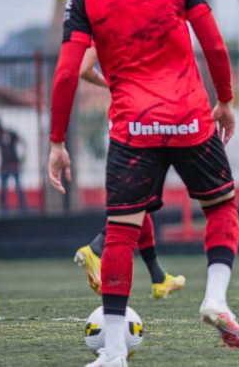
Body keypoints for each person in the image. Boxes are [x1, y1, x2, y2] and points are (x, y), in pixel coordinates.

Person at [49, 0, 239, 367]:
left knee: (120, 232)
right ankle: (215, 297)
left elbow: (65, 74)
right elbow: (213, 43)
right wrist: (225, 100)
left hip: (134, 126)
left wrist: (57, 142)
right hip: (189, 117)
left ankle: (114, 353)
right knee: (220, 206)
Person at [73, 47, 186, 299]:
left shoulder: (104, 23)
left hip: (120, 117)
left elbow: (83, 69)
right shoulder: (149, 24)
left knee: (138, 199)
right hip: (147, 117)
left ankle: (158, 278)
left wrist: (112, 84)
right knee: (139, 199)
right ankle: (96, 248)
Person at [0, 118, 27, 213]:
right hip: (7, 166)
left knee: (15, 188)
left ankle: (18, 209)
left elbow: (22, 141)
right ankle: (7, 209)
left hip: (11, 165)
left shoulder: (5, 134)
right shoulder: (1, 135)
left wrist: (23, 158)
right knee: (8, 189)